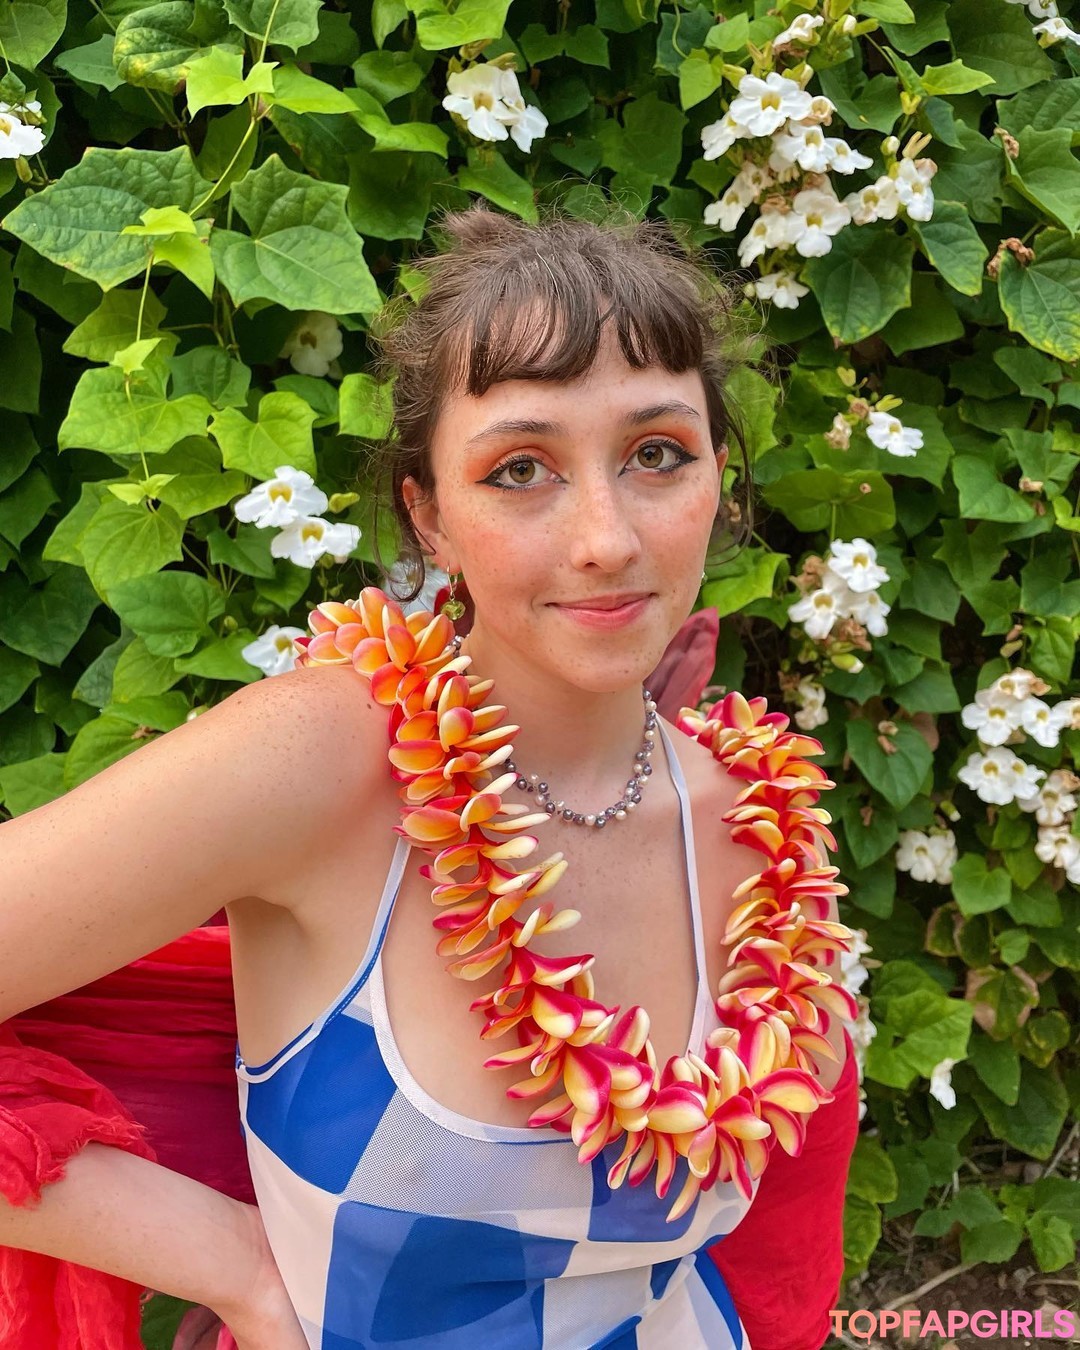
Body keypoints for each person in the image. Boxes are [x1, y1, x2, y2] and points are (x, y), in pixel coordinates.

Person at [0, 203, 859, 1349]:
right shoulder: (327, 764)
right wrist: (236, 1265)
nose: (607, 538)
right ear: (430, 518)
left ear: (719, 478)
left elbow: (777, 1252)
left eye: (657, 453)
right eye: (521, 469)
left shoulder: (761, 826)